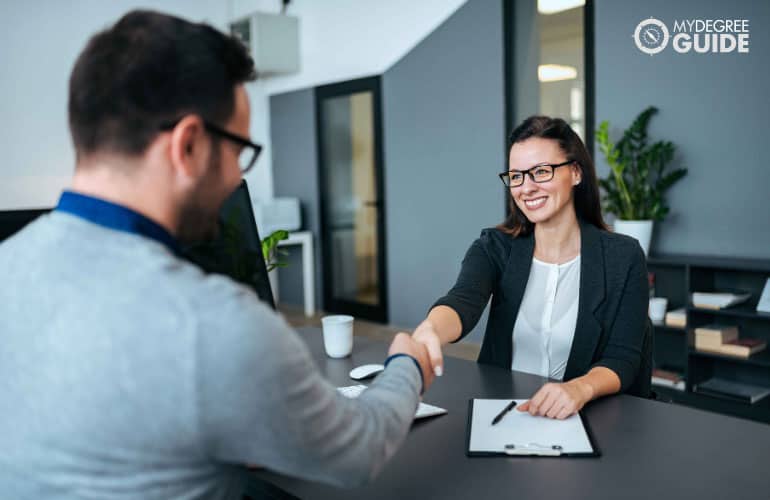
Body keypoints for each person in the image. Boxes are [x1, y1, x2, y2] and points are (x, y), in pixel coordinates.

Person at [0, 10, 434, 499]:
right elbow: (358, 452)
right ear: (187, 145)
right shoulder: (209, 322)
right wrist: (408, 365)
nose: (235, 177)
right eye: (237, 151)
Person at [410, 116, 650, 420]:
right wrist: (430, 330)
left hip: (585, 416)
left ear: (576, 172)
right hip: (504, 413)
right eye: (516, 176)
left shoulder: (623, 256)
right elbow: (463, 300)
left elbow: (624, 357)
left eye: (541, 171)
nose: (527, 187)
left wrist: (579, 388)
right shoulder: (494, 247)